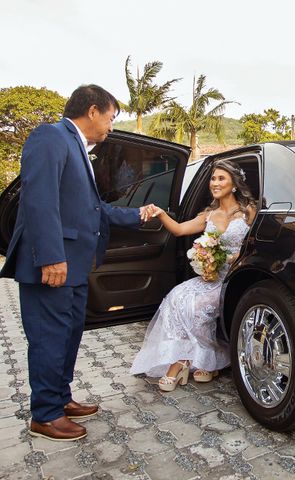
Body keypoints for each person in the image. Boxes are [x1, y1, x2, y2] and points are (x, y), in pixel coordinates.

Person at [0, 85, 156, 441]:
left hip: (76, 266)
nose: (112, 127)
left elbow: (93, 210)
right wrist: (51, 257)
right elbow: (40, 201)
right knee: (49, 339)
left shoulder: (79, 149)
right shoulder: (50, 136)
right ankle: (45, 415)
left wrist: (138, 215)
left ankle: (60, 398)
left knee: (68, 337)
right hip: (54, 265)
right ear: (92, 110)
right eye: (112, 118)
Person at [130, 160, 256, 391]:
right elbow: (179, 229)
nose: (215, 183)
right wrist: (160, 213)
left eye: (221, 178)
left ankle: (198, 362)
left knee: (196, 307)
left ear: (234, 184)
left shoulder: (249, 211)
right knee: (176, 298)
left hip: (235, 279)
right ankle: (185, 361)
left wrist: (231, 258)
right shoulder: (208, 214)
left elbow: (256, 246)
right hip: (211, 277)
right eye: (213, 178)